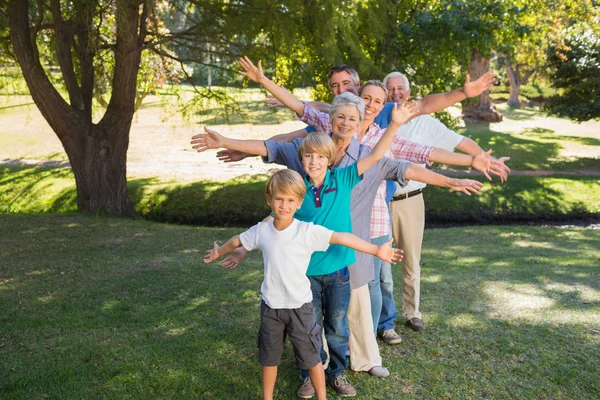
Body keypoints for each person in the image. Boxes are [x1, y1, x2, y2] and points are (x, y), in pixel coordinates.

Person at [192, 89, 484, 397]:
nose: (314, 161)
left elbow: (379, 157)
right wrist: (238, 247)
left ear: (331, 158)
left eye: (320, 157)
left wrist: (399, 128)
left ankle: (337, 373)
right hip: (304, 272)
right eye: (309, 157)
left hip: (339, 268)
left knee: (337, 327)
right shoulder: (298, 184)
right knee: (309, 328)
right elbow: (275, 213)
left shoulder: (344, 178)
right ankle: (310, 374)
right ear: (303, 157)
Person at [203, 169, 403, 400]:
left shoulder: (305, 231)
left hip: (301, 308)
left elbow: (341, 237)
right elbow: (238, 240)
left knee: (311, 357)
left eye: (290, 200)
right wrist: (220, 251)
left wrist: (376, 249)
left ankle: (322, 396)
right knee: (269, 357)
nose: (284, 205)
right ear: (269, 200)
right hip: (271, 308)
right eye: (279, 199)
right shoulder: (262, 231)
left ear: (299, 202)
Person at [371, 71, 511, 339]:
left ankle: (412, 313)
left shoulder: (427, 122)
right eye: (391, 89)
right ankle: (384, 321)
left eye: (401, 88)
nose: (396, 93)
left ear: (409, 93)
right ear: (386, 95)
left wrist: (484, 158)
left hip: (410, 200)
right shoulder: (377, 119)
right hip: (380, 201)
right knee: (381, 263)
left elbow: (460, 142)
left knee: (411, 259)